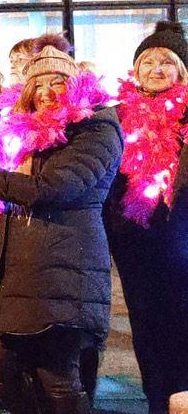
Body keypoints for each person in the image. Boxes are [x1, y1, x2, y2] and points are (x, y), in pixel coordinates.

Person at [0, 45, 119, 414]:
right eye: (39, 83)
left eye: (58, 82)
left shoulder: (96, 128)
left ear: (77, 86)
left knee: (56, 373)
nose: (47, 91)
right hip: (18, 263)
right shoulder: (25, 131)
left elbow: (52, 188)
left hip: (66, 263)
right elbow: (10, 182)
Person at [102, 21, 188, 414]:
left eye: (166, 62)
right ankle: (157, 398)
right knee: (147, 323)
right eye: (147, 61)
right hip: (135, 240)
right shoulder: (115, 117)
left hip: (182, 237)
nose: (155, 69)